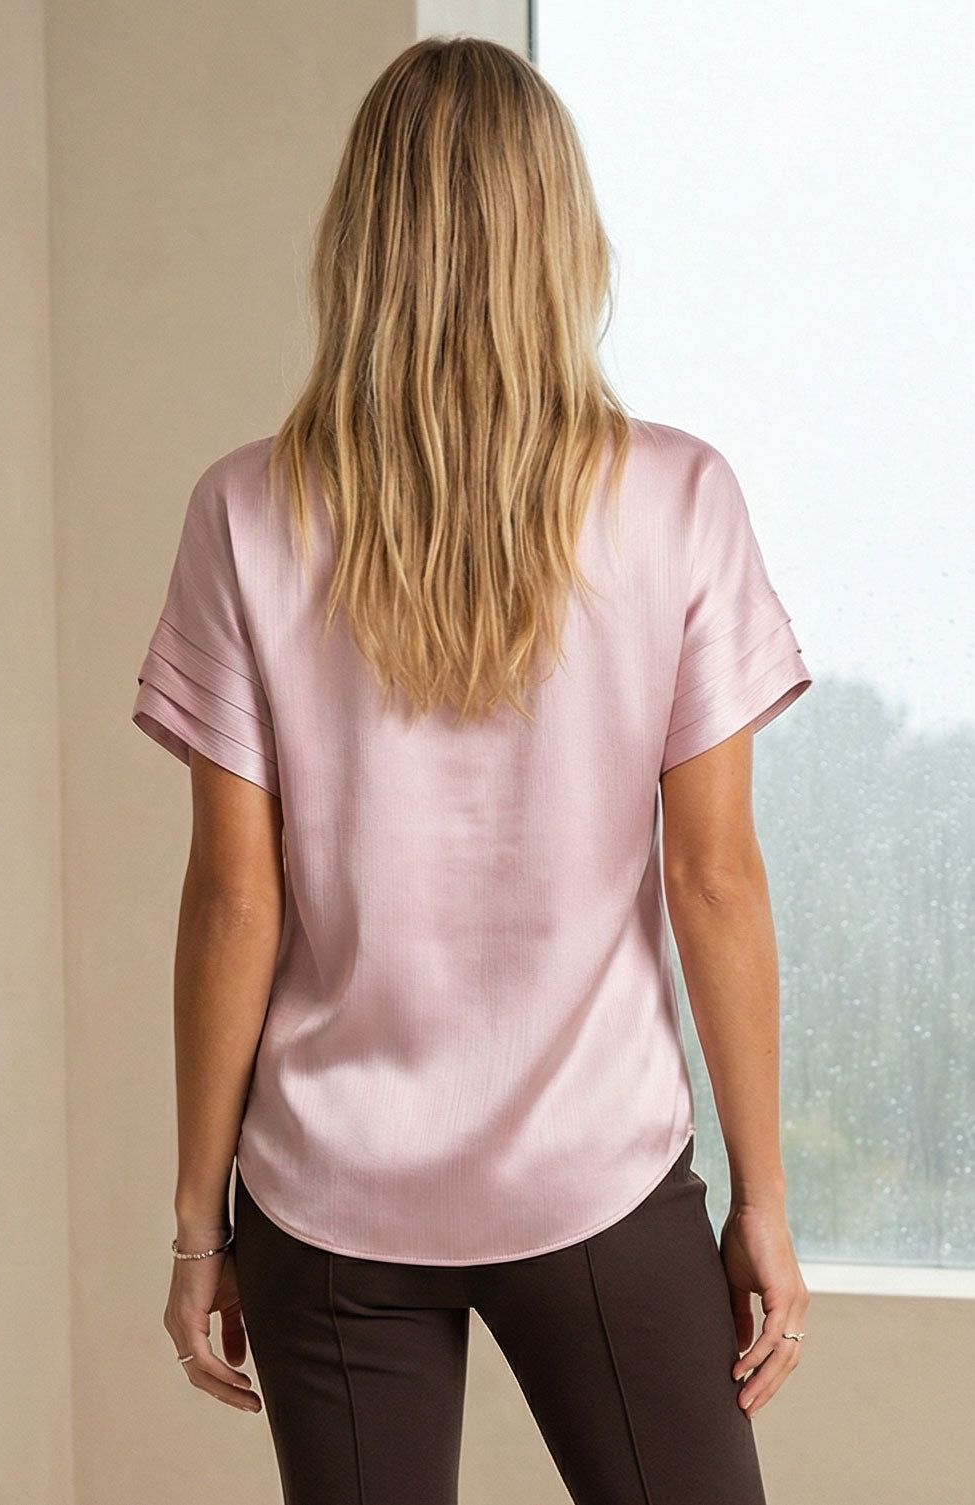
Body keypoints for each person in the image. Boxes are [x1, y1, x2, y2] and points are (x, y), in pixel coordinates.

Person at [131, 34, 811, 1505]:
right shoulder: (678, 497)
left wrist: (200, 1224)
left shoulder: (246, 511)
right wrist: (762, 1197)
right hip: (598, 1167)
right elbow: (712, 875)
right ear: (562, 240)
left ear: (357, 245)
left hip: (328, 1188)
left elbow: (234, 898)